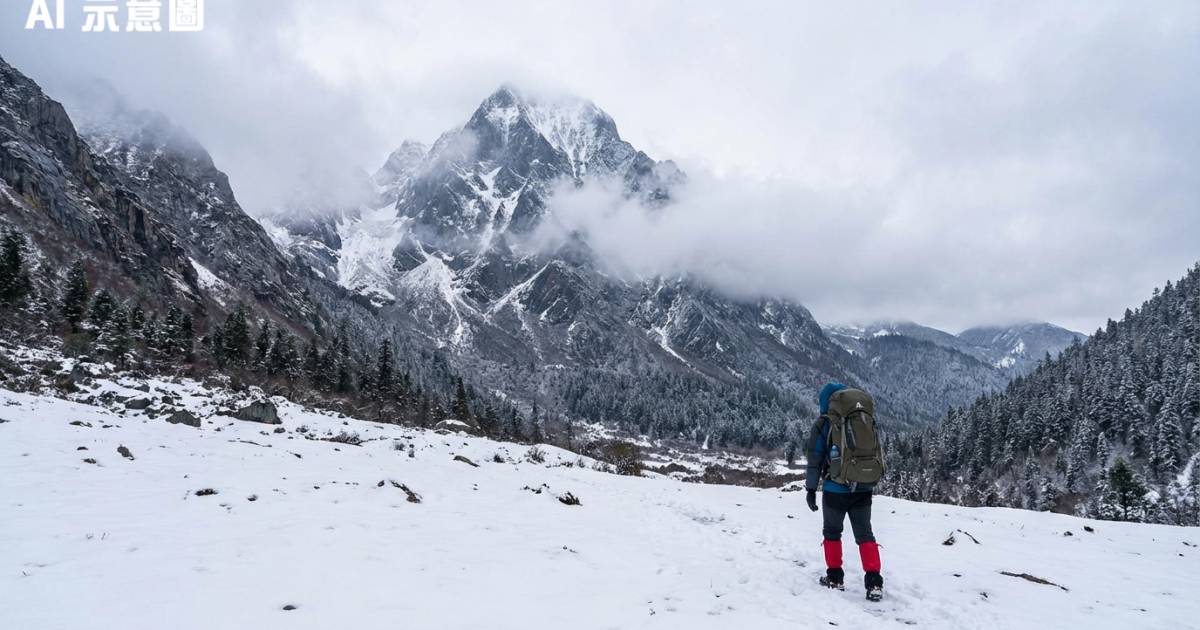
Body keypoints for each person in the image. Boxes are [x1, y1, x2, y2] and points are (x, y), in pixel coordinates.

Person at [805, 382, 884, 601]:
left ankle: (835, 578)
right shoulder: (862, 419)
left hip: (834, 489)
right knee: (865, 534)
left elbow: (814, 460)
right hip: (863, 486)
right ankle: (874, 583)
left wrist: (811, 489)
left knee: (832, 532)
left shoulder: (824, 423)